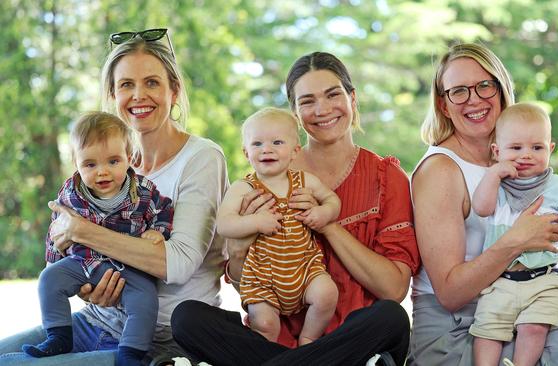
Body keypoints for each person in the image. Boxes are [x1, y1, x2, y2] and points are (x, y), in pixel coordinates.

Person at [171, 51, 420, 366]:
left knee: (391, 318)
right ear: (294, 113)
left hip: (352, 339)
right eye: (307, 101)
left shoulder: (386, 177)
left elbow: (393, 289)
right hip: (278, 339)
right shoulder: (260, 180)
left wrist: (327, 224)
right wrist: (238, 250)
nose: (322, 109)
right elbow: (241, 281)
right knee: (187, 318)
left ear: (352, 98)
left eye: (333, 95)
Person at [407, 42, 558, 366]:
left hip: (522, 304)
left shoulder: (516, 155)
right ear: (443, 104)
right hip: (465, 332)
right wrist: (517, 239)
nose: (474, 99)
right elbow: (450, 295)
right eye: (459, 91)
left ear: (501, 87)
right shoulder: (441, 169)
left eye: (484, 85)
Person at [0, 28, 229, 366]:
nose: (139, 95)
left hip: (160, 340)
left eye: (152, 83)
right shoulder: (105, 165)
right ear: (112, 94)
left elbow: (177, 263)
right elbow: (60, 251)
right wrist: (84, 284)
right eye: (126, 85)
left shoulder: (202, 158)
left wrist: (84, 232)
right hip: (95, 321)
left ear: (174, 91)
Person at [22, 111, 173, 366]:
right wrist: (54, 260)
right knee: (48, 279)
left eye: (113, 161)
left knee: (145, 299)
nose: (102, 172)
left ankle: (131, 352)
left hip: (129, 267)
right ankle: (59, 336)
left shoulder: (143, 191)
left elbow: (164, 209)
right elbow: (56, 229)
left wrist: (158, 231)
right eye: (90, 165)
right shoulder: (71, 192)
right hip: (84, 262)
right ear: (77, 163)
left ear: (129, 157)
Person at [469, 102, 558, 366]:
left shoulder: (556, 186)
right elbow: (481, 207)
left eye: (537, 147)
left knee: (535, 327)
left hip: (542, 280)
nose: (526, 155)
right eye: (515, 148)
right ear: (497, 150)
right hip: (500, 280)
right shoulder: (498, 184)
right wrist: (494, 174)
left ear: (551, 149)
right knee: (487, 331)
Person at [217, 107, 340, 345]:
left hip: (305, 270)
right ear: (245, 152)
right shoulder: (244, 188)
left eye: (277, 142)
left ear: (295, 151)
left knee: (327, 294)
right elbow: (223, 224)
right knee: (264, 324)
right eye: (257, 144)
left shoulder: (304, 181)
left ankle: (308, 340)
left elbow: (333, 200)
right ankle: (267, 355)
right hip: (262, 278)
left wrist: (323, 212)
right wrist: (255, 221)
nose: (266, 149)